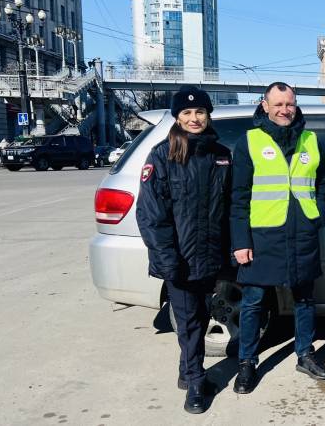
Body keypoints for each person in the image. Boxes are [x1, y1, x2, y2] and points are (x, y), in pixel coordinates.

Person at [230, 82, 325, 394]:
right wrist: (240, 242)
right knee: (253, 302)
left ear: (295, 104)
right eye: (278, 104)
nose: (284, 110)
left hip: (302, 234)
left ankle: (305, 354)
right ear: (265, 105)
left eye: (289, 104)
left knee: (304, 299)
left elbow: (323, 181)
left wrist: (318, 215)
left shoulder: (310, 139)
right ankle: (247, 362)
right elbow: (238, 196)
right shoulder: (249, 141)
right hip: (263, 235)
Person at [136, 85, 232, 414]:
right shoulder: (162, 155)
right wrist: (167, 260)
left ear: (208, 115)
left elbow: (228, 207)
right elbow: (151, 215)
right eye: (187, 113)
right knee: (189, 321)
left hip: (209, 257)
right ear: (178, 117)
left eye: (200, 112)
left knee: (202, 316)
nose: (194, 118)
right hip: (178, 259)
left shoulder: (220, 154)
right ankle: (194, 383)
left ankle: (185, 369)